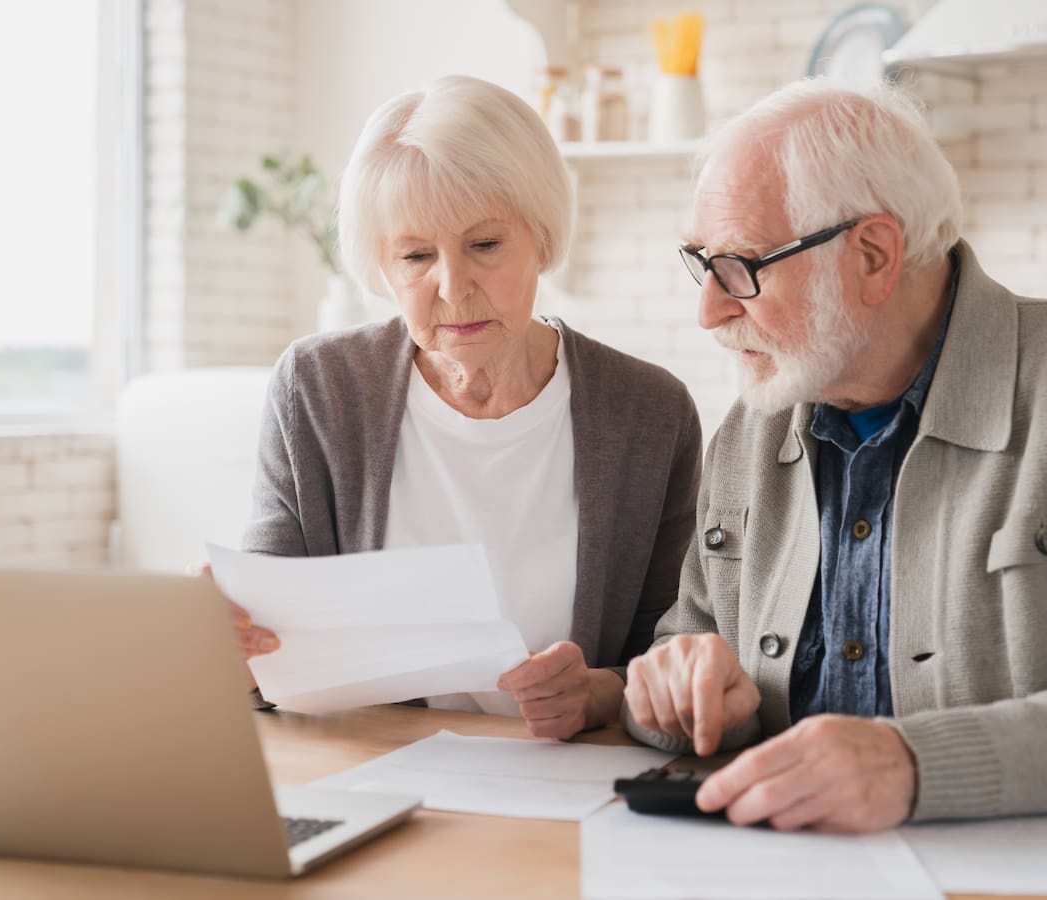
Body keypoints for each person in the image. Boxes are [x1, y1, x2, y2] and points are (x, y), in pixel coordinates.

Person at [623, 76, 1047, 830]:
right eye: (702, 262)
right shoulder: (754, 421)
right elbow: (688, 651)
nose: (709, 309)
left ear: (873, 255)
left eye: (742, 266)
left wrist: (913, 766)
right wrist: (678, 695)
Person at [227, 75, 701, 741]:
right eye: (417, 256)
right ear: (382, 267)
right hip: (369, 770)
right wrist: (230, 642)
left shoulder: (650, 414)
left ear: (540, 234)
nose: (453, 287)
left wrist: (599, 693)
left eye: (485, 245)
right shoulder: (316, 390)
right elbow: (266, 649)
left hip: (565, 775)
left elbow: (676, 650)